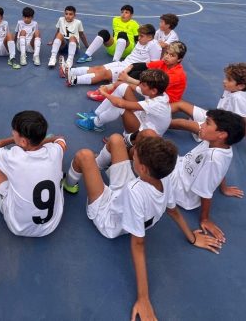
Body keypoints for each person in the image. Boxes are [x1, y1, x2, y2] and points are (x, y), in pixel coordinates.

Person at [60, 134, 224, 320]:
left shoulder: (134, 191)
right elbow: (173, 210)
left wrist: (143, 298)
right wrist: (192, 238)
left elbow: (138, 244)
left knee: (84, 155)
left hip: (108, 217)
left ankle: (68, 184)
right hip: (126, 196)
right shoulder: (165, 176)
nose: (132, 154)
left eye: (135, 156)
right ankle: (95, 168)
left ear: (143, 168)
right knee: (116, 140)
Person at [170, 62, 246, 169]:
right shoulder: (230, 89)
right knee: (180, 104)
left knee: (181, 123)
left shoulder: (239, 99)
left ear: (241, 86)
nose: (224, 81)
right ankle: (158, 112)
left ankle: (160, 123)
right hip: (213, 118)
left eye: (229, 79)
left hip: (216, 130)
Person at [167, 109, 246, 240]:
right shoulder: (219, 144)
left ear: (221, 135)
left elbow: (206, 192)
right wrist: (224, 188)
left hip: (179, 187)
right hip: (180, 166)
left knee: (147, 146)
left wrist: (204, 219)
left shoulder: (213, 159)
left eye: (207, 123)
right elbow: (221, 171)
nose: (201, 125)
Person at [0, 111, 67, 237]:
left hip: (18, 227)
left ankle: (3, 158)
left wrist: (12, 140)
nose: (12, 132)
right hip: (51, 225)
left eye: (14, 132)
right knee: (55, 159)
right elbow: (60, 139)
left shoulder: (14, 157)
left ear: (23, 141)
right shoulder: (55, 150)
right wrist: (45, 141)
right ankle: (39, 144)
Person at [75, 69, 171, 145]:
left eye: (143, 85)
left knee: (120, 107)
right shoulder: (157, 93)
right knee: (123, 87)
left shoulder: (156, 104)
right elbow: (129, 86)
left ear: (153, 91)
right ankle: (97, 114)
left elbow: (120, 104)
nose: (140, 86)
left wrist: (104, 93)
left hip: (145, 136)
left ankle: (96, 123)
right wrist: (112, 86)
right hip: (144, 119)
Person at [67, 24, 160, 87]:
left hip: (130, 69)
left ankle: (75, 80)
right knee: (99, 68)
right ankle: (70, 71)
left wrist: (134, 77)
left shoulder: (154, 46)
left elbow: (153, 66)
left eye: (141, 36)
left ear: (150, 37)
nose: (138, 38)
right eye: (139, 35)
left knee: (104, 74)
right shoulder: (142, 41)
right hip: (124, 63)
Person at [46, 5, 89, 70]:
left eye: (70, 14)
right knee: (60, 34)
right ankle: (53, 58)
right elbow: (58, 31)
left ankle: (70, 60)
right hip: (62, 46)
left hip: (73, 45)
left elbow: (82, 35)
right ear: (64, 14)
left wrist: (87, 46)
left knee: (72, 37)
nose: (68, 16)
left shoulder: (78, 22)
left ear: (75, 15)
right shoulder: (61, 19)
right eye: (66, 14)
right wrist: (53, 41)